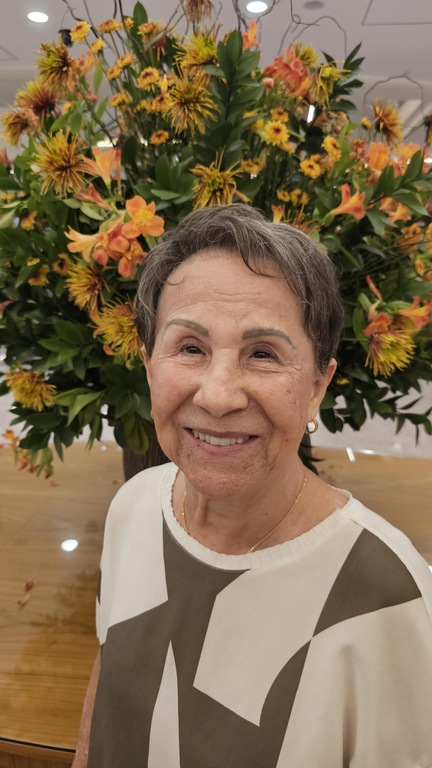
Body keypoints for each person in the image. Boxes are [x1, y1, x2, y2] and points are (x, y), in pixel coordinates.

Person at [72, 204, 432, 768]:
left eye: (263, 354)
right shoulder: (134, 507)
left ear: (317, 386)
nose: (218, 396)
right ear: (148, 364)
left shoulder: (387, 595)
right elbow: (109, 679)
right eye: (190, 348)